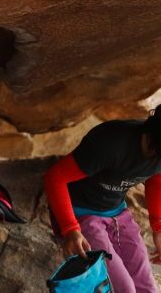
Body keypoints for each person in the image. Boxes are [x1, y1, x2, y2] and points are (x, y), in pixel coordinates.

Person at [43, 108, 161, 293]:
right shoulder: (112, 143)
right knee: (124, 289)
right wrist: (70, 229)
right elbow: (55, 177)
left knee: (147, 288)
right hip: (81, 213)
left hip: (117, 214)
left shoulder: (157, 151)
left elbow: (155, 178)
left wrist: (158, 228)